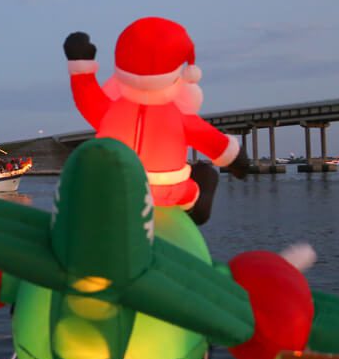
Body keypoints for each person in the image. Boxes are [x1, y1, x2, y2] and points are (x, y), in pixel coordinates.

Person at [64, 17, 249, 225]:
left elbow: (85, 94)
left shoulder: (110, 111)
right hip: (170, 193)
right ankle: (200, 197)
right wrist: (239, 162)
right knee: (195, 191)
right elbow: (216, 143)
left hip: (114, 187)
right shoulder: (179, 118)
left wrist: (80, 63)